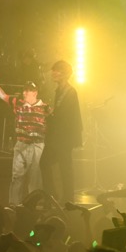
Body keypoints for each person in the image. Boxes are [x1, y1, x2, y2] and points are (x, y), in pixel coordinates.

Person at [0, 76, 48, 205]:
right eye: (24, 90)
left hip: (36, 146)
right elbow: (3, 96)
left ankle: (35, 205)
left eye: (28, 90)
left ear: (35, 92)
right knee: (17, 176)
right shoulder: (18, 103)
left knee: (34, 178)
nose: (25, 93)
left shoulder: (45, 108)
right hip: (21, 145)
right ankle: (14, 205)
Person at [40, 60, 82, 203]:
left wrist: (50, 115)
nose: (53, 73)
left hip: (64, 137)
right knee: (49, 163)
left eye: (56, 70)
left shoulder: (70, 92)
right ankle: (53, 196)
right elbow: (59, 113)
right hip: (57, 137)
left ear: (64, 73)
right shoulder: (60, 91)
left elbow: (66, 117)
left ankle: (65, 198)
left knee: (64, 166)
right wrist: (51, 113)